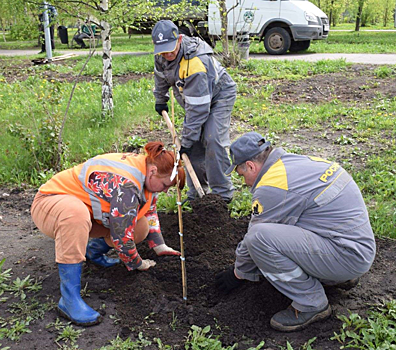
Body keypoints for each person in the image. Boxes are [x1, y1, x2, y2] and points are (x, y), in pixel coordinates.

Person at [215, 132, 376, 332]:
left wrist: (239, 273)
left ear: (250, 165)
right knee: (286, 224)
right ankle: (336, 276)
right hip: (357, 246)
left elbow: (255, 238)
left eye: (241, 174)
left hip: (348, 256)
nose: (245, 182)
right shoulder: (297, 163)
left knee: (258, 238)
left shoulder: (273, 185)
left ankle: (311, 304)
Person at [31, 141, 186, 326]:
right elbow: (122, 238)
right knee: (75, 215)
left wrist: (159, 246)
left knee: (140, 226)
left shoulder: (149, 173)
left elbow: (149, 210)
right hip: (51, 204)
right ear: (153, 172)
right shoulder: (127, 185)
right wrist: (138, 263)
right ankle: (69, 299)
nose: (165, 190)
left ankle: (93, 252)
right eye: (165, 185)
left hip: (88, 213)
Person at [152, 20, 236, 203]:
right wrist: (160, 99)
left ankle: (222, 194)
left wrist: (187, 141)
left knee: (212, 139)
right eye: (162, 50)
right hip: (194, 97)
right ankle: (197, 193)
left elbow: (198, 110)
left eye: (171, 48)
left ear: (180, 39)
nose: (167, 54)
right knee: (194, 144)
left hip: (219, 96)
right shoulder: (161, 55)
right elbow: (161, 77)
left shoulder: (195, 62)